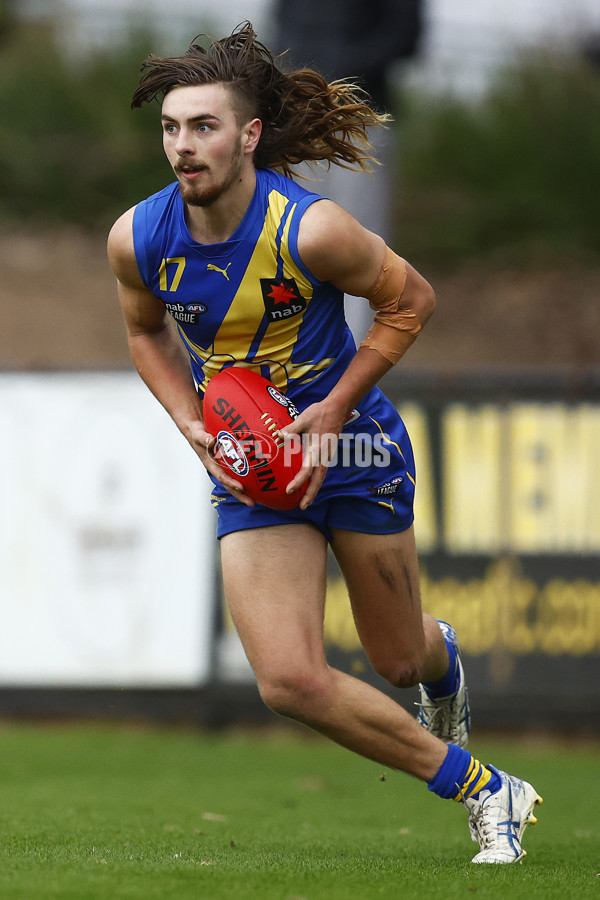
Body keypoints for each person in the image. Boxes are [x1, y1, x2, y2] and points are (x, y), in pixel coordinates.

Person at [107, 22, 542, 864]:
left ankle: (436, 655)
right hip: (252, 466)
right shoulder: (139, 238)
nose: (183, 147)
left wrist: (338, 407)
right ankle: (489, 789)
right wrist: (188, 421)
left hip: (352, 452)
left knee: (398, 661)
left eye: (203, 127)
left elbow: (411, 301)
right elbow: (145, 337)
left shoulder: (312, 230)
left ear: (249, 135)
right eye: (170, 128)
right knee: (288, 682)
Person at [273, 0, 423, 342]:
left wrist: (336, 79)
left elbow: (405, 36)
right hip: (295, 116)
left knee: (362, 240)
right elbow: (281, 27)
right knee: (287, 234)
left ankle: (352, 363)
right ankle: (288, 352)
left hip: (359, 119)